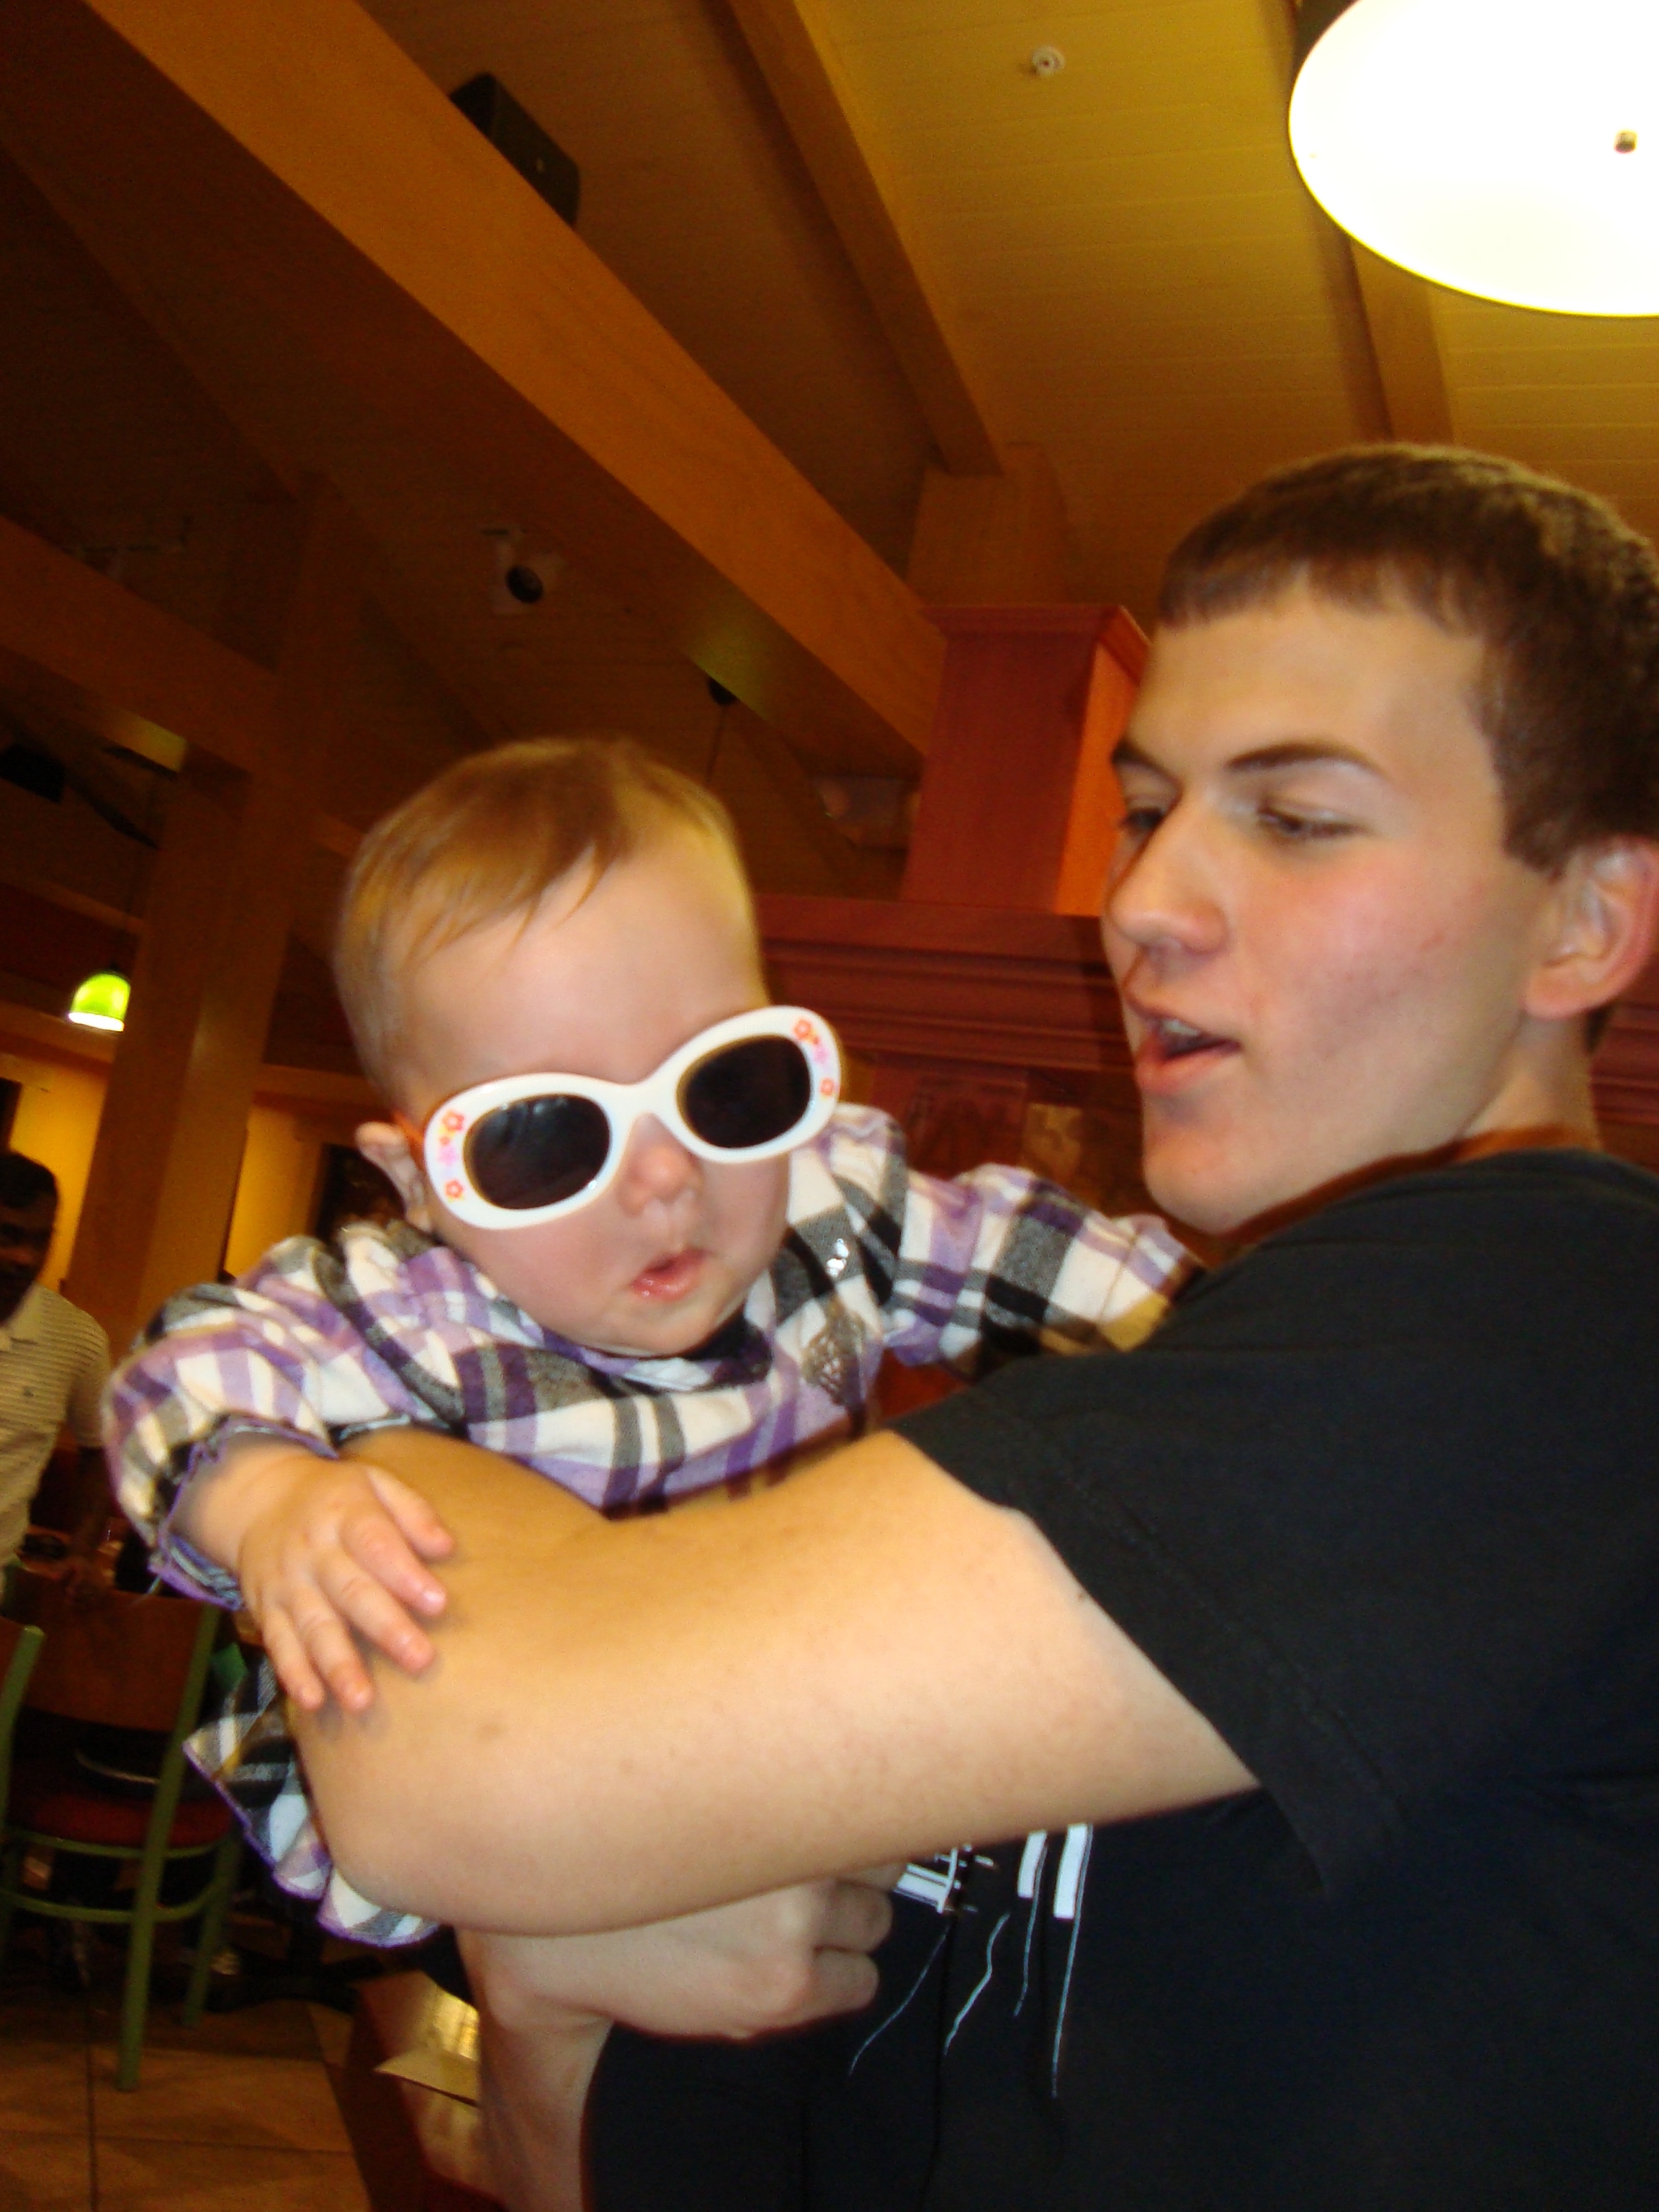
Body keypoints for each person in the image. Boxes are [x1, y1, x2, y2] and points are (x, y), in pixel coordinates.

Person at [282, 446, 1659, 2211]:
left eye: (1297, 816)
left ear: (1585, 920)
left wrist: (364, 1444)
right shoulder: (1186, 1397)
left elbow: (443, 1772)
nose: (1143, 899)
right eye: (1148, 808)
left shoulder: (1559, 1327)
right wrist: (549, 1997)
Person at [102, 734, 1190, 2204]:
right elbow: (177, 1373)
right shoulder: (412, 1308)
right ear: (421, 1181)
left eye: (727, 1086)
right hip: (541, 1810)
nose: (663, 1175)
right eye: (547, 1139)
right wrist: (270, 1497)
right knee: (662, 2086)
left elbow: (1057, 1262)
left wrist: (1223, 1341)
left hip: (776, 1759)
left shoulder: (827, 1212)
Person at [0, 1151, 109, 1609]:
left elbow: (101, 1452)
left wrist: (82, 1551)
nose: (25, 1257)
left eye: (40, 1240)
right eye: (8, 1236)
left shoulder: (76, 1340)